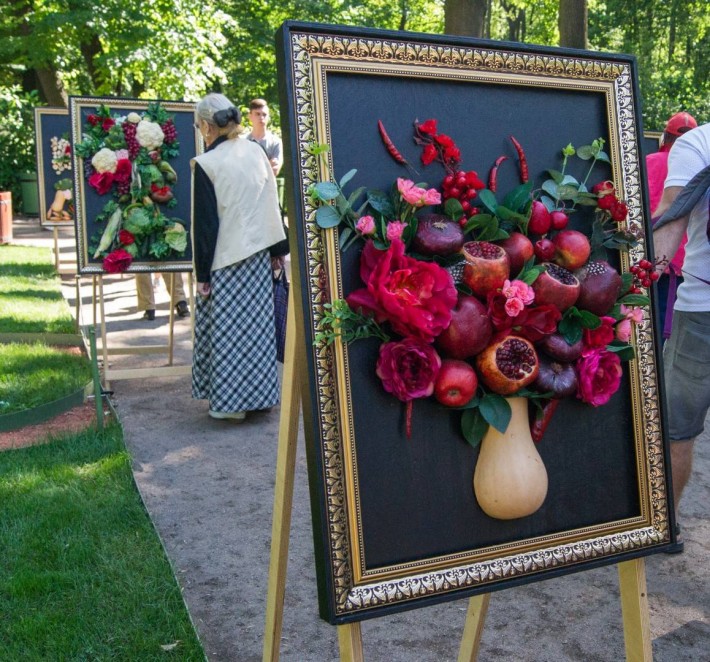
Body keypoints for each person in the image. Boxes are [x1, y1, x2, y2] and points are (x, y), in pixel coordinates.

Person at [191, 93, 286, 421]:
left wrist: (202, 275)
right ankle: (259, 398)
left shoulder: (207, 163)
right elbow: (270, 202)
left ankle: (230, 407)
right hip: (259, 255)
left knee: (229, 335)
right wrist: (277, 251)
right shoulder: (256, 151)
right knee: (257, 332)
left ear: (206, 126)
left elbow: (206, 225)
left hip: (226, 258)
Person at [652, 120, 710, 546]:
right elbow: (672, 218)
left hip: (699, 313)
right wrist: (635, 283)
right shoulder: (699, 143)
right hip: (701, 313)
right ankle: (665, 524)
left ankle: (663, 526)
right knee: (675, 427)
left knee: (675, 428)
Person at [646, 111, 698, 339]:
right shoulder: (700, 168)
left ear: (664, 137)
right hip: (687, 265)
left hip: (649, 259)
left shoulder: (645, 162)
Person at [246, 98, 283, 176]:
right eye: (257, 114)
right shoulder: (242, 141)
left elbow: (274, 171)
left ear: (269, 117)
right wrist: (267, 165)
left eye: (264, 114)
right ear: (250, 116)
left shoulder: (276, 142)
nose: (261, 117)